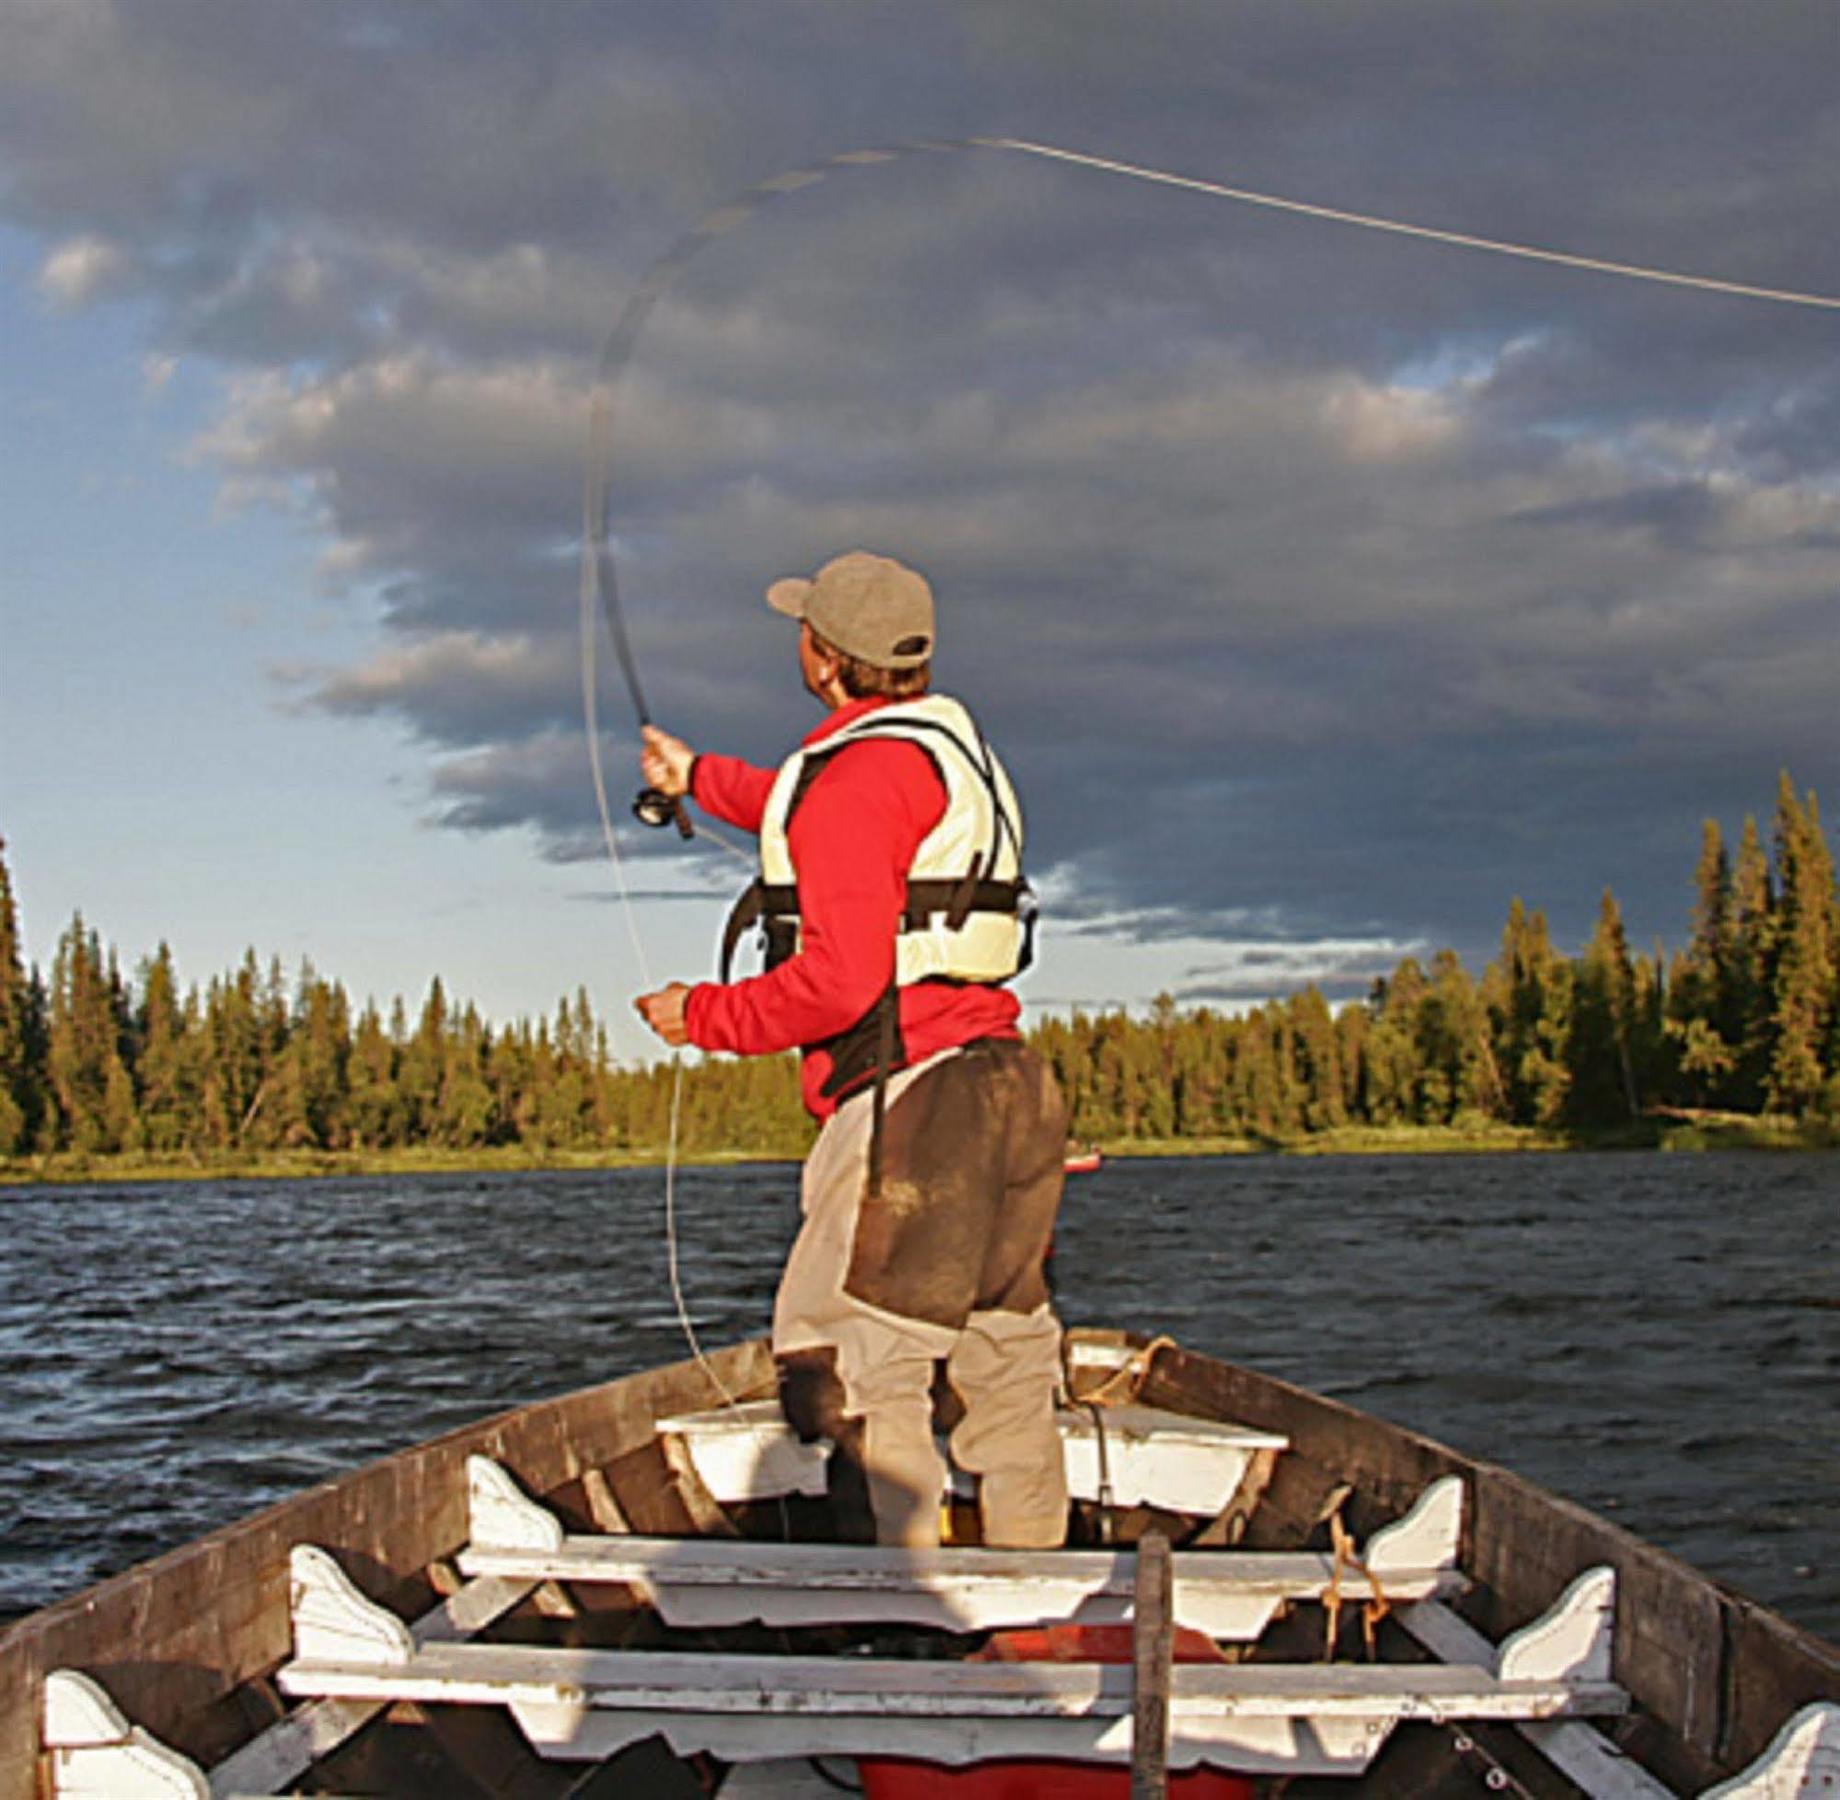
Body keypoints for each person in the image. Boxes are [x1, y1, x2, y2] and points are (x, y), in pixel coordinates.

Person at [633, 550, 1070, 1550]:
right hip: (1006, 1088)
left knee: (850, 1363)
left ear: (824, 658)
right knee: (1004, 1356)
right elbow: (813, 805)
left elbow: (838, 982)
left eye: (804, 628)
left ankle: (900, 1619)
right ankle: (1036, 1592)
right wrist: (697, 778)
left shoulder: (854, 777)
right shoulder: (938, 750)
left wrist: (702, 1017)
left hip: (908, 1107)